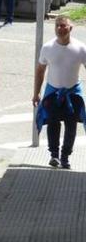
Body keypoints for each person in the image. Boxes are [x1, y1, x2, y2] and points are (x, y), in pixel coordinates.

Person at [34, 16, 86, 170]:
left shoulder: (81, 48)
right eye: (57, 26)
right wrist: (36, 93)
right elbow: (40, 71)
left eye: (63, 26)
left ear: (70, 28)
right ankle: (54, 155)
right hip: (53, 92)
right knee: (53, 124)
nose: (59, 29)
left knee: (71, 127)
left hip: (73, 93)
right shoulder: (48, 47)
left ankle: (65, 157)